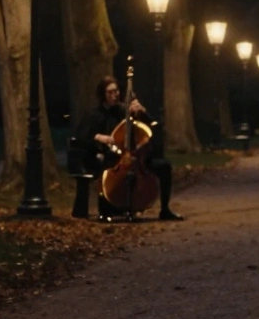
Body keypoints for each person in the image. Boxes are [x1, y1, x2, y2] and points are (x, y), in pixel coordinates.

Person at [75, 75, 184, 222]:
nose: (114, 95)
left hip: (133, 156)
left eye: (116, 91)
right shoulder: (95, 114)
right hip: (108, 156)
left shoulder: (124, 111)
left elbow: (152, 128)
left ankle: (165, 209)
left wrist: (143, 112)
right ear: (103, 94)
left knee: (164, 167)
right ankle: (105, 210)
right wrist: (99, 137)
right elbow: (82, 136)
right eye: (110, 92)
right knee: (104, 163)